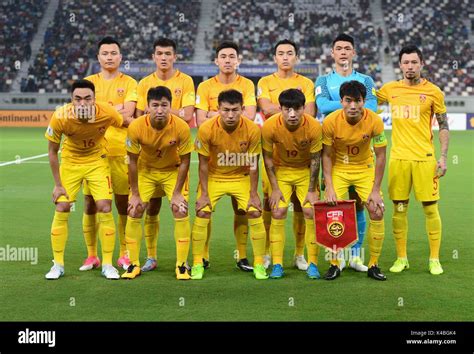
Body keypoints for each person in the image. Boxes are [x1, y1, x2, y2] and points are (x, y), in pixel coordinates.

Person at [377, 45, 449, 275]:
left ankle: (434, 259)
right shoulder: (389, 89)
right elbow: (366, 105)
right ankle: (401, 258)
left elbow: (444, 125)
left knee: (430, 208)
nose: (410, 66)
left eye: (414, 62)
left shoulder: (434, 92)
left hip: (425, 159)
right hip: (398, 159)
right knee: (399, 209)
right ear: (400, 65)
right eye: (406, 62)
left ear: (421, 63)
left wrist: (444, 156)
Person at [44, 79, 125, 280]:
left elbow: (124, 124)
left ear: (94, 99)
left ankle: (107, 264)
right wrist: (57, 185)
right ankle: (58, 265)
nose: (82, 103)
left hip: (97, 161)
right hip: (70, 163)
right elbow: (52, 152)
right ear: (71, 100)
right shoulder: (60, 116)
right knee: (62, 207)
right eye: (77, 99)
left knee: (105, 207)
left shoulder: (107, 112)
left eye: (87, 98)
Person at [315, 33, 378, 272]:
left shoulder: (366, 79)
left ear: (354, 53)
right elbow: (320, 106)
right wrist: (350, 105)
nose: (343, 52)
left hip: (361, 153)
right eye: (338, 48)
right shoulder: (322, 79)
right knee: (336, 205)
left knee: (360, 205)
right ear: (332, 53)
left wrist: (341, 104)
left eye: (347, 48)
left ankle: (356, 255)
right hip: (332, 151)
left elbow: (371, 107)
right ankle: (337, 255)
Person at [190, 89, 268, 280]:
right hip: (214, 177)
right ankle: (198, 262)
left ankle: (257, 263)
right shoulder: (206, 129)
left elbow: (253, 164)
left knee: (255, 211)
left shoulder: (252, 129)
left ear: (243, 109)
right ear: (218, 109)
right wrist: (204, 193)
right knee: (203, 211)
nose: (230, 115)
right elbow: (202, 164)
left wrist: (253, 193)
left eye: (235, 110)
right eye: (226, 110)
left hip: (240, 177)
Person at [195, 41, 257, 272]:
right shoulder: (205, 87)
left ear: (238, 60)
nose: (228, 60)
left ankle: (242, 256)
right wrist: (223, 116)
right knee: (205, 209)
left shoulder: (248, 85)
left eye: (232, 56)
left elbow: (249, 117)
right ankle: (203, 256)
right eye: (223, 56)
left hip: (239, 161)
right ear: (216, 61)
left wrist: (215, 114)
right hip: (214, 164)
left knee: (242, 209)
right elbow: (200, 122)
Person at [135, 38, 195, 273]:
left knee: (180, 208)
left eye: (168, 53)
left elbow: (189, 115)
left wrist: (166, 114)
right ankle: (150, 256)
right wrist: (172, 112)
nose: (163, 57)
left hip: (175, 158)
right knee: (150, 208)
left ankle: (183, 261)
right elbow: (141, 116)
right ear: (153, 57)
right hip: (148, 159)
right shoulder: (144, 83)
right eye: (159, 53)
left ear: (175, 57)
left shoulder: (186, 81)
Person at [121, 86, 193, 280]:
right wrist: (135, 193)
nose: (160, 110)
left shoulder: (181, 127)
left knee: (181, 208)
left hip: (172, 171)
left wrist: (177, 192)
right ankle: (134, 264)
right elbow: (132, 161)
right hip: (146, 172)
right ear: (147, 107)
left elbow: (186, 160)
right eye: (155, 105)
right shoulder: (136, 127)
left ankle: (182, 265)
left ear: (171, 106)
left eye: (164, 105)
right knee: (135, 209)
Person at [257, 39, 316, 271]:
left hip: (300, 158)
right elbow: (264, 107)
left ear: (296, 57)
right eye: (280, 53)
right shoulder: (264, 81)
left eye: (289, 53)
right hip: (275, 155)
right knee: (270, 205)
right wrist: (291, 108)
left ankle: (299, 254)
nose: (285, 57)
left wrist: (280, 107)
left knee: (301, 207)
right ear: (274, 58)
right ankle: (270, 252)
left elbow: (309, 112)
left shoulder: (306, 82)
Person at [80, 37, 137, 272]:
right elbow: (82, 112)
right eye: (105, 53)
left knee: (123, 203)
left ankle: (124, 253)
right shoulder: (87, 83)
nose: (110, 57)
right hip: (93, 154)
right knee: (90, 203)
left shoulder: (131, 83)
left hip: (122, 152)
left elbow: (129, 115)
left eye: (114, 53)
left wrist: (99, 110)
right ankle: (92, 255)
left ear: (120, 57)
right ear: (98, 57)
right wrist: (114, 111)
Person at [322, 81, 388, 281]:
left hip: (364, 169)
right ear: (341, 101)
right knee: (332, 212)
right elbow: (325, 155)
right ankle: (334, 263)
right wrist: (329, 186)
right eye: (348, 101)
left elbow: (381, 156)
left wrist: (376, 190)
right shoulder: (330, 122)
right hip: (339, 169)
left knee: (376, 210)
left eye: (357, 101)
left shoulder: (375, 121)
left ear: (364, 101)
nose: (353, 106)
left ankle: (374, 264)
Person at [262, 89, 322, 279]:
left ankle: (312, 262)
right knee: (278, 210)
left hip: (304, 171)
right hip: (281, 171)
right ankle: (277, 263)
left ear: (304, 108)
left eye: (297, 109)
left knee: (310, 210)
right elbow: (268, 158)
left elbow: (315, 160)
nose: (292, 114)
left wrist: (312, 190)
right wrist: (275, 188)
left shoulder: (314, 126)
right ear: (280, 108)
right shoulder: (269, 126)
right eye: (287, 109)